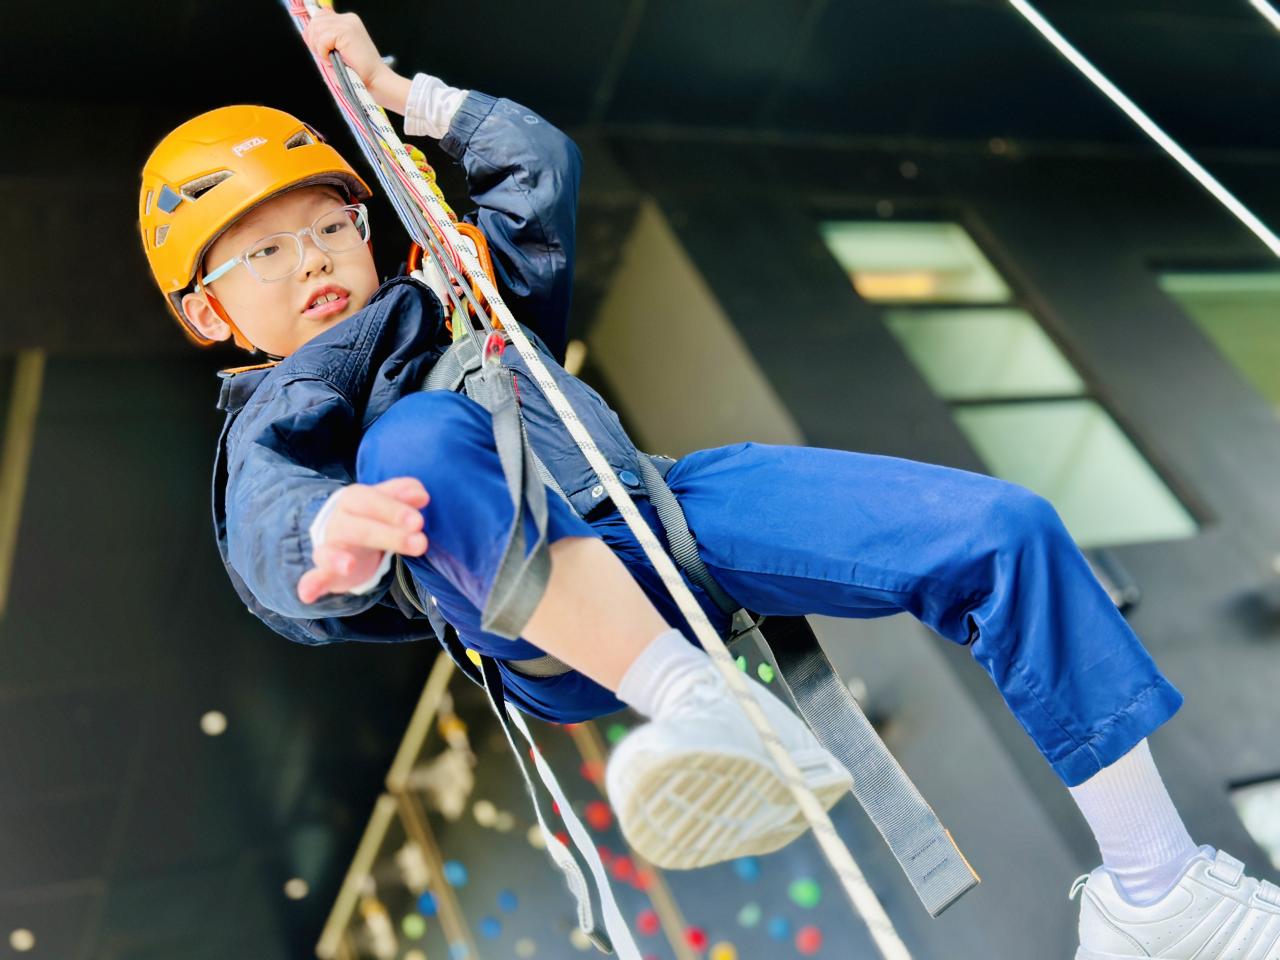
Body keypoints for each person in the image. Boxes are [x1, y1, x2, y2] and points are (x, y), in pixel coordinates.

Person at [138, 10, 1280, 957]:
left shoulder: (456, 293)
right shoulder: (283, 410)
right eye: (263, 254)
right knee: (417, 446)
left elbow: (537, 173)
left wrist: (404, 98)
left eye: (329, 226)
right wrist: (327, 532)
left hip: (668, 511)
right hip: (541, 614)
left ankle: (1156, 890)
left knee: (1004, 530)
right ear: (206, 313)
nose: (312, 261)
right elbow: (265, 520)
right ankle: (694, 700)